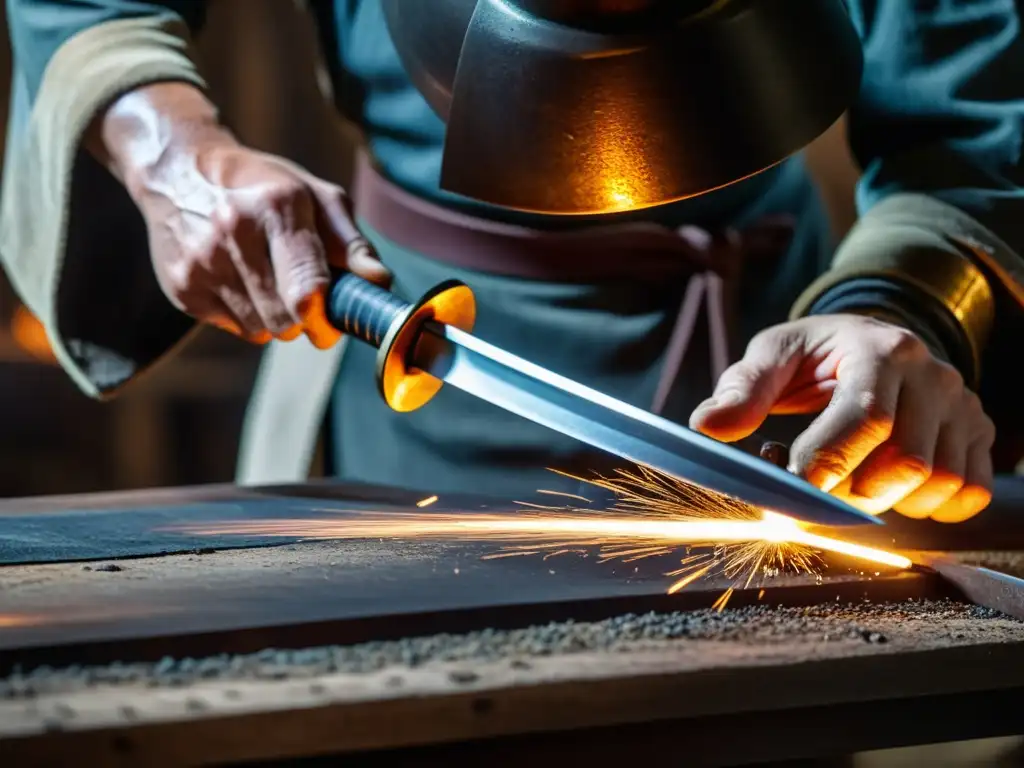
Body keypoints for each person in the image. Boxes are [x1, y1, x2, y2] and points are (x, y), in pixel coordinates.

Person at [1, 0, 1021, 523]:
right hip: (409, 370)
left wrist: (907, 304)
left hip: (789, 367)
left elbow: (975, 107)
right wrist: (170, 149)